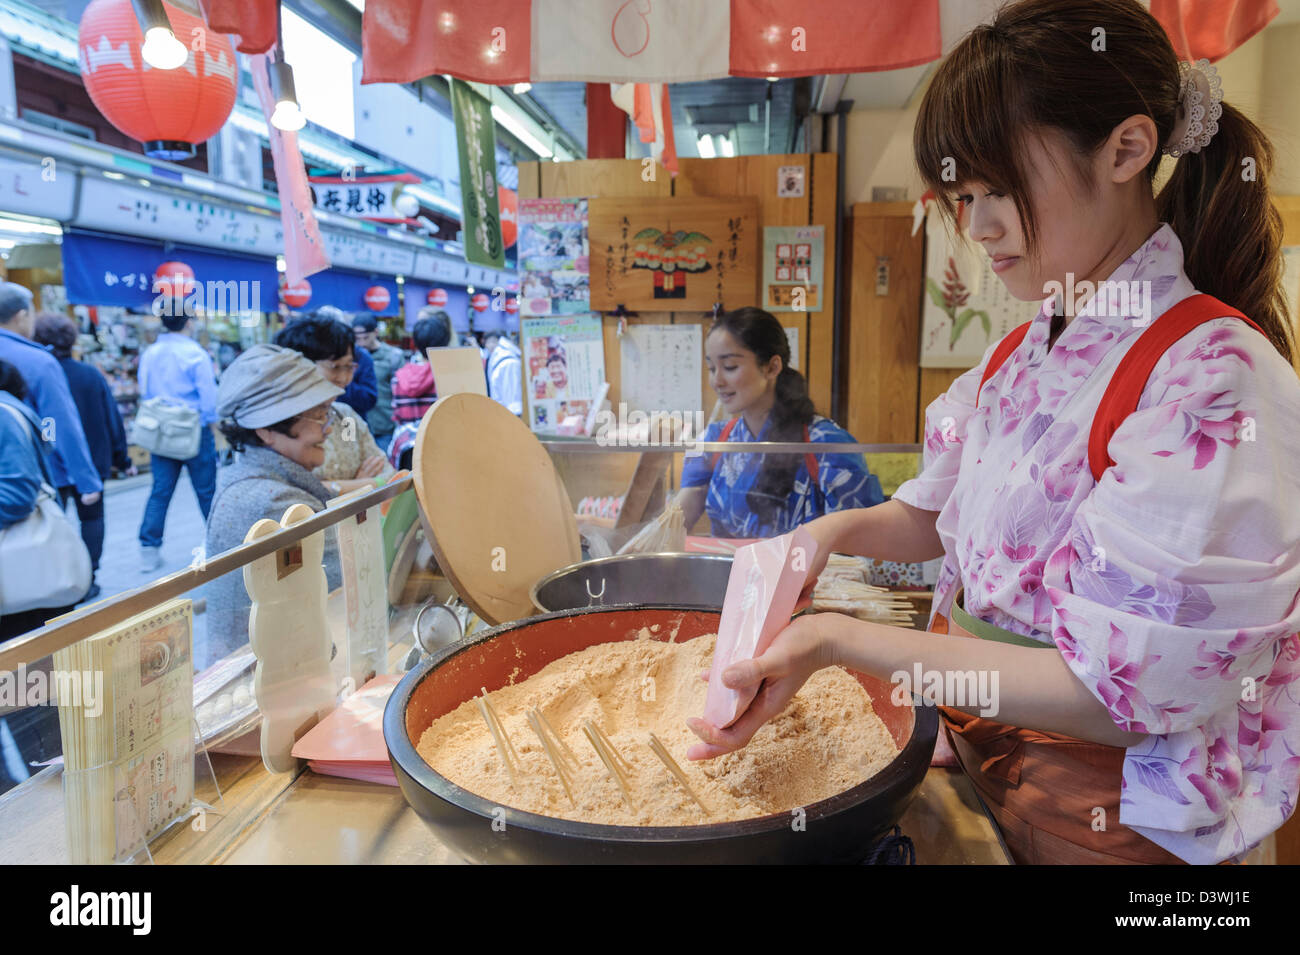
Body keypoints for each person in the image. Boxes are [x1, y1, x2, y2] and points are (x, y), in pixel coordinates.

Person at [686, 0, 1300, 867]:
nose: (975, 228)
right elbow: (934, 518)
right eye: (963, 196)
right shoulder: (1023, 347)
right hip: (988, 764)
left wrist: (839, 641)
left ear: (1126, 150)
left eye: (998, 189)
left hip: (1112, 817)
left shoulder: (1211, 375)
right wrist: (821, 536)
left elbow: (1108, 690)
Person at [677, 307, 884, 539]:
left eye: (730, 367)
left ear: (772, 367)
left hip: (810, 575)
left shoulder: (826, 443)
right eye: (711, 368)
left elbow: (863, 539)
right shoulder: (714, 439)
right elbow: (677, 516)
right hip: (728, 573)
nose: (717, 381)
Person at [203, 344, 344, 671]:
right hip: (269, 696)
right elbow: (344, 588)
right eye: (319, 415)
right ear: (266, 430)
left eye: (328, 413)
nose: (328, 427)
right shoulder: (275, 503)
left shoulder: (253, 477)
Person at [33, 313, 134, 601]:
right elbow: (112, 419)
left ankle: (58, 575)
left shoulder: (40, 374)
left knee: (52, 520)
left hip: (52, 463)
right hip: (93, 458)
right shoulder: (90, 375)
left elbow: (45, 422)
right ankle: (88, 576)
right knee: (92, 519)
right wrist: (121, 458)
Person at [0, 284, 102, 515]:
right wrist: (85, 479)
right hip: (30, 474)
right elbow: (56, 422)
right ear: (22, 316)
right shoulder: (38, 361)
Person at [273, 315, 394, 496]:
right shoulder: (280, 425)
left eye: (349, 366)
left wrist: (346, 487)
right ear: (301, 366)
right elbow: (294, 494)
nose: (345, 378)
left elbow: (389, 475)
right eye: (335, 367)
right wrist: (358, 486)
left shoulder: (345, 418)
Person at [136, 308, 218, 572]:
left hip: (162, 428)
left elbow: (144, 389)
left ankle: (149, 548)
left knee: (160, 490)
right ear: (189, 323)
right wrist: (212, 422)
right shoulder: (196, 353)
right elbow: (209, 397)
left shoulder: (150, 353)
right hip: (193, 426)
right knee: (206, 491)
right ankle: (218, 542)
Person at [387, 310, 452, 471]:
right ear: (445, 341)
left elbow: (397, 415)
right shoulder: (447, 376)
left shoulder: (399, 376)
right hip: (442, 448)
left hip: (406, 451)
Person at [352, 313, 406, 451]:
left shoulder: (393, 356)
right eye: (357, 338)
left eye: (365, 337)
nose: (361, 342)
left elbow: (401, 392)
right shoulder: (349, 356)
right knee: (349, 460)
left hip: (384, 425)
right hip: (352, 423)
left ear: (375, 332)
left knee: (383, 468)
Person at [315, 306, 377, 418]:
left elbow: (369, 399)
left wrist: (341, 379)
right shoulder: (313, 355)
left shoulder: (361, 356)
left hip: (350, 423)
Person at [483, 330, 523, 416]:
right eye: (488, 342)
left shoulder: (506, 360)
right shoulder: (506, 361)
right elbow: (513, 405)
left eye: (492, 342)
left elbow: (512, 404)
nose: (489, 345)